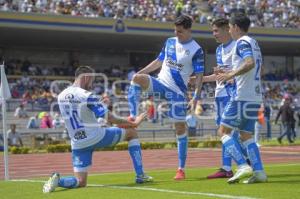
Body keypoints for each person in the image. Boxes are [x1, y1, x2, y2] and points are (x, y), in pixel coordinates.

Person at [43, 66, 152, 193]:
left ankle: (58, 181)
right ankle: (140, 175)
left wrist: (98, 106)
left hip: (78, 143)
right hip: (96, 136)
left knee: (81, 182)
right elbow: (110, 119)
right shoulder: (87, 95)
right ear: (86, 77)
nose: (92, 84)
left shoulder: (61, 95)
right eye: (92, 80)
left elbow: (81, 113)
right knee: (132, 133)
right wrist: (134, 123)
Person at [127, 14, 204, 180]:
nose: (177, 34)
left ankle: (181, 169)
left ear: (189, 30)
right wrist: (142, 72)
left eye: (180, 31)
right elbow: (158, 61)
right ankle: (133, 116)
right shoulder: (169, 42)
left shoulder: (196, 50)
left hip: (177, 93)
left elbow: (199, 75)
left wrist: (196, 97)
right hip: (160, 84)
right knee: (136, 78)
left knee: (180, 128)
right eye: (175, 30)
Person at [216, 13, 267, 184]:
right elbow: (258, 69)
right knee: (246, 135)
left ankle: (242, 165)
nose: (229, 30)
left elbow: (249, 63)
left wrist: (231, 74)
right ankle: (259, 172)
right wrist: (233, 76)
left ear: (236, 27)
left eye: (230, 27)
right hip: (255, 95)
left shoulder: (242, 42)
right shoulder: (254, 43)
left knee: (223, 131)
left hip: (242, 96)